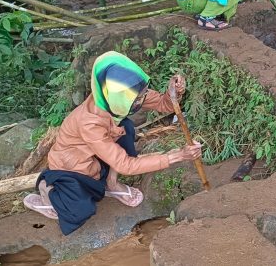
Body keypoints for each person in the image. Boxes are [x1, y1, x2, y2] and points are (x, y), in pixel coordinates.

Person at [23, 51, 202, 235]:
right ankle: (48, 191)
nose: (144, 98)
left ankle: (111, 183)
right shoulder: (90, 122)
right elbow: (125, 164)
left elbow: (165, 104)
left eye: (143, 93)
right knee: (81, 211)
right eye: (139, 97)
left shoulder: (116, 96)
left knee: (125, 127)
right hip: (72, 167)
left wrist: (174, 93)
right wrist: (176, 156)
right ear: (121, 99)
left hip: (95, 156)